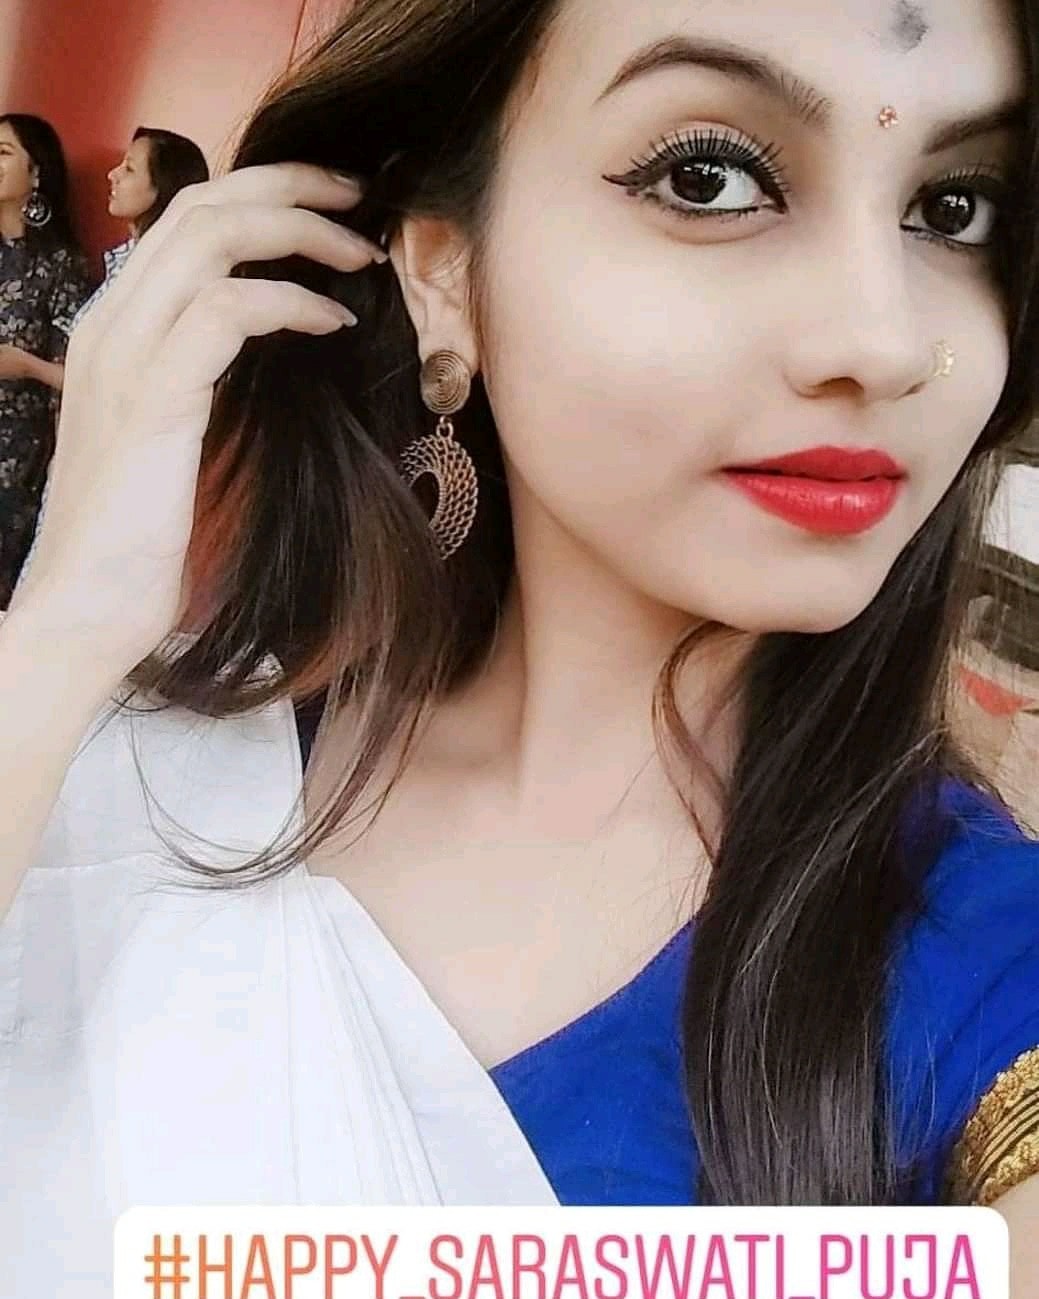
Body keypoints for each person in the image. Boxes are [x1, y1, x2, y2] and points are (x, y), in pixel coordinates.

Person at [2, 0, 1039, 1292]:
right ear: (442, 269)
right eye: (708, 178)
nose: (883, 346)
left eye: (952, 209)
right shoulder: (143, 768)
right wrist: (67, 623)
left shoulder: (984, 954)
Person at [15, 127, 210, 589]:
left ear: (162, 188)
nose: (112, 175)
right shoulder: (125, 262)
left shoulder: (167, 278)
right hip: (79, 453)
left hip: (117, 463)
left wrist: (26, 366)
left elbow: (125, 377)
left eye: (130, 168)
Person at [0, 113, 92, 606]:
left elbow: (82, 379)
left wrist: (25, 365)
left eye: (3, 152)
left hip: (18, 458)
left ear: (36, 173)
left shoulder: (61, 265)